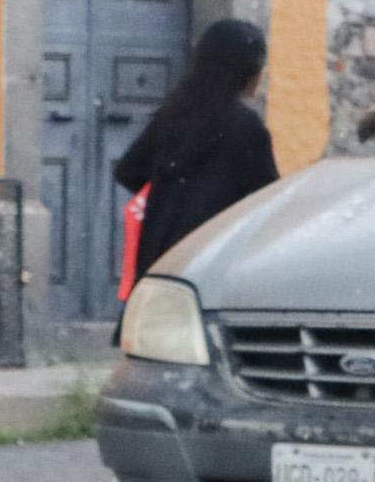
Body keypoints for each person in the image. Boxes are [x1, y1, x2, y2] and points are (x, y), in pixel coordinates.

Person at [114, 17, 279, 285]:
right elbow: (267, 198)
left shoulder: (174, 114)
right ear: (248, 72)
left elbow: (128, 171)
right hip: (211, 257)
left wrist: (170, 198)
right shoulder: (247, 128)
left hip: (160, 254)